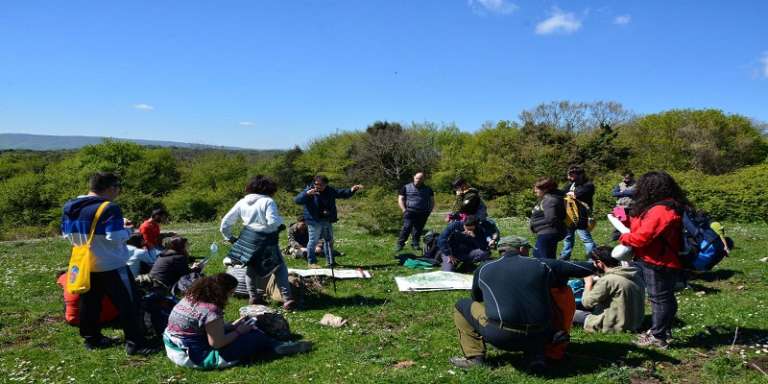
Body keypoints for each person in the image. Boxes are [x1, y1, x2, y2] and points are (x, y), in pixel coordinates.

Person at [450, 236, 596, 371]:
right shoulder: (543, 264)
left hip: (501, 336)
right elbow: (582, 268)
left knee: (462, 304)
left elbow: (477, 298)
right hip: (543, 335)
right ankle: (536, 356)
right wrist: (600, 263)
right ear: (521, 249)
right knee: (558, 292)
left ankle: (475, 357)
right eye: (528, 249)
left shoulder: (483, 268)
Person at [60, 171, 156, 355]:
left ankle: (92, 338)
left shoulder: (70, 206)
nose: (118, 191)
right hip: (111, 264)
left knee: (90, 302)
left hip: (86, 264)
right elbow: (115, 237)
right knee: (129, 302)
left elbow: (66, 233)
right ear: (111, 188)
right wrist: (128, 229)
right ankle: (135, 343)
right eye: (118, 187)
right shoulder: (109, 208)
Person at [163, 273, 312, 369]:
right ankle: (276, 346)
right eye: (231, 293)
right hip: (196, 357)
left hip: (174, 348)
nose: (231, 296)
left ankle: (275, 345)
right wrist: (239, 331)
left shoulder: (189, 299)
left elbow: (201, 327)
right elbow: (216, 343)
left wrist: (232, 326)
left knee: (246, 331)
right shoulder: (211, 311)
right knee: (254, 336)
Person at [618, 171, 687, 349]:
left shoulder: (662, 210)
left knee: (660, 299)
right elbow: (644, 228)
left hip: (658, 261)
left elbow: (642, 237)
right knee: (665, 298)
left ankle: (658, 337)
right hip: (663, 259)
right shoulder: (665, 206)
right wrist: (625, 219)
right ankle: (664, 331)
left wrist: (624, 239)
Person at [221, 176, 295, 310]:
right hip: (265, 239)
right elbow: (272, 222)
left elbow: (225, 223)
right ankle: (287, 299)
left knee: (251, 267)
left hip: (247, 239)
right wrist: (280, 224)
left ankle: (254, 297)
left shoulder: (242, 202)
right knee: (279, 267)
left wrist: (229, 237)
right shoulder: (268, 201)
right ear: (269, 189)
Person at [294, 175, 363, 268]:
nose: (318, 186)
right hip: (314, 221)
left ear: (326, 184)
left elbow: (341, 193)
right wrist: (307, 194)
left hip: (326, 219)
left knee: (329, 241)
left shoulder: (329, 190)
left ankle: (330, 262)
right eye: (316, 184)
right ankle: (311, 262)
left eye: (321, 185)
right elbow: (297, 200)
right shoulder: (309, 190)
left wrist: (352, 190)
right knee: (313, 241)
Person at [573, 246, 645, 333]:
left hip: (612, 325)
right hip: (634, 323)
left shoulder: (608, 280)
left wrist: (588, 283)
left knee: (566, 311)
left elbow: (587, 303)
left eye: (593, 263)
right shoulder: (634, 275)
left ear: (599, 263)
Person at [559, 165, 596, 260]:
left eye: (571, 175)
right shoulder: (570, 185)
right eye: (569, 175)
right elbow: (561, 194)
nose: (569, 177)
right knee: (568, 238)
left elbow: (577, 194)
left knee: (586, 239)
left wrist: (571, 194)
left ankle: (593, 259)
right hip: (569, 216)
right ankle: (564, 257)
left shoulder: (588, 185)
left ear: (580, 175)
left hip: (582, 217)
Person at [396, 172, 435, 252]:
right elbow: (400, 199)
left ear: (423, 179)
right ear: (414, 177)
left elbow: (432, 201)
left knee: (418, 229)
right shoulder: (406, 187)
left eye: (420, 178)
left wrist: (429, 211)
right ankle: (400, 244)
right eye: (417, 178)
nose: (418, 180)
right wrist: (403, 209)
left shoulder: (428, 189)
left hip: (423, 212)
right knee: (406, 227)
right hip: (409, 211)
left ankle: (415, 244)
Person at [529, 177, 566, 259]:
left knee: (544, 259)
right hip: (546, 233)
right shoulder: (548, 198)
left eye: (537, 189)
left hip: (547, 233)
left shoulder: (549, 200)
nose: (535, 191)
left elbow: (551, 219)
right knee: (540, 256)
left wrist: (534, 224)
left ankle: (550, 271)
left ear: (545, 189)